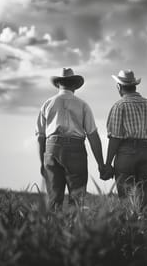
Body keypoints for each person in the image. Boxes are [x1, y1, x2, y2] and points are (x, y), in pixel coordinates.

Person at [35, 68, 108, 210]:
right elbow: (93, 135)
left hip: (52, 148)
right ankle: (75, 228)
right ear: (74, 85)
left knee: (54, 199)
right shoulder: (83, 105)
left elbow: (40, 136)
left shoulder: (47, 104)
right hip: (76, 150)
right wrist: (101, 164)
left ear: (58, 85)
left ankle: (53, 228)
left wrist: (42, 163)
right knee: (77, 197)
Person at [102, 69, 147, 208]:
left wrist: (107, 164)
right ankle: (146, 227)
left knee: (126, 200)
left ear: (119, 87)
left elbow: (115, 138)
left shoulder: (119, 106)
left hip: (126, 154)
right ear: (135, 85)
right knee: (146, 200)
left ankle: (129, 227)